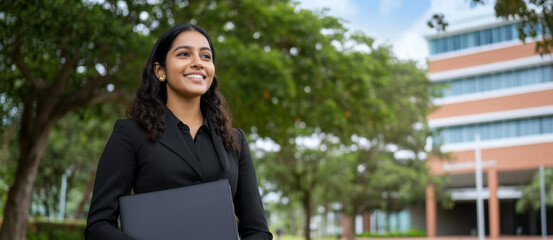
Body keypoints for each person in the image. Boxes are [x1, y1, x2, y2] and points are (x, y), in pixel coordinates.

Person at [84, 23, 273, 240]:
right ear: (160, 70)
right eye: (184, 54)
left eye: (206, 56)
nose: (197, 63)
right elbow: (98, 226)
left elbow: (257, 231)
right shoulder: (130, 134)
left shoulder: (234, 140)